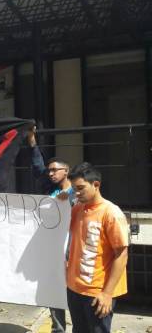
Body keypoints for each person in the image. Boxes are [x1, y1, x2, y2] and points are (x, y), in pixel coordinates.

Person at [67, 162, 129, 333]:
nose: (77, 193)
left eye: (80, 188)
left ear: (96, 185)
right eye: (74, 189)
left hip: (97, 292)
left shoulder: (111, 213)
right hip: (74, 289)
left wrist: (107, 293)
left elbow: (121, 255)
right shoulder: (77, 208)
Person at [27, 126, 74, 333]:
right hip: (52, 246)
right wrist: (32, 141)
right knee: (54, 288)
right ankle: (58, 328)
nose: (51, 173)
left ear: (67, 171)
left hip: (72, 248)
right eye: (50, 170)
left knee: (75, 291)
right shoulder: (49, 188)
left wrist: (70, 196)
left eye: (56, 170)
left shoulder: (78, 191)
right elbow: (37, 167)